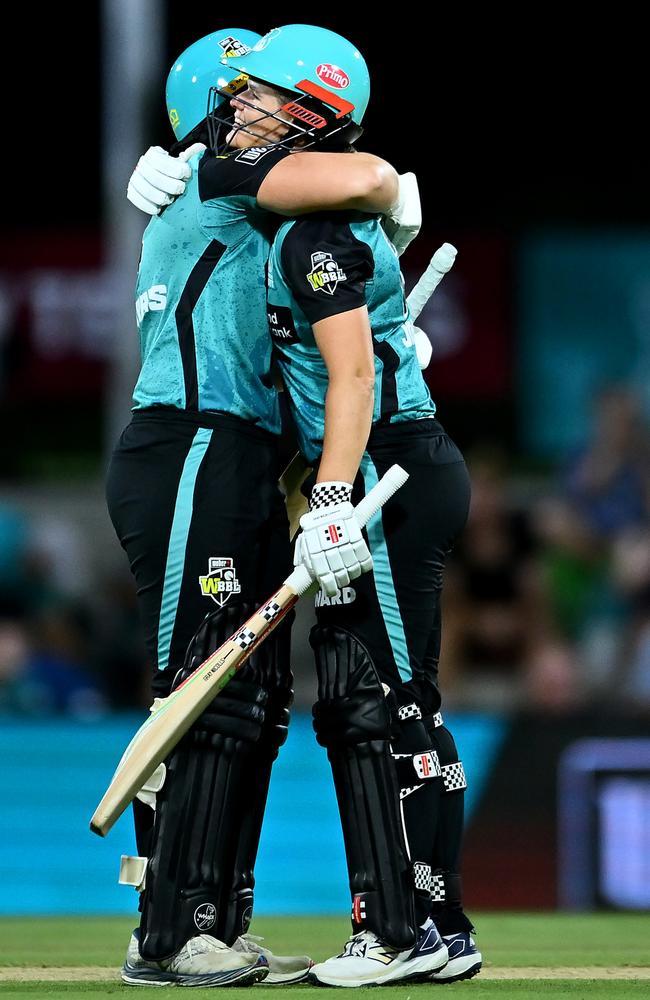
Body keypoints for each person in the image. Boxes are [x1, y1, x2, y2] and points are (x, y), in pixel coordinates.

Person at [111, 24, 406, 989]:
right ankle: (170, 932)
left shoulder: (232, 180)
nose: (248, 104)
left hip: (233, 451)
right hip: (196, 438)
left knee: (250, 699)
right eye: (238, 91)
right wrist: (390, 195)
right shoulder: (223, 171)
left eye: (267, 92)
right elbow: (366, 179)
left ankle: (211, 923)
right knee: (209, 683)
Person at [216, 26, 482, 986]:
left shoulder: (313, 231)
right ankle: (433, 929)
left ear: (314, 116)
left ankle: (422, 932)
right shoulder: (303, 222)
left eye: (261, 95)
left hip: (388, 475)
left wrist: (331, 499)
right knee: (380, 703)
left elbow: (355, 376)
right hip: (385, 466)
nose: (238, 107)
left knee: (398, 704)